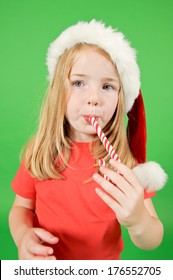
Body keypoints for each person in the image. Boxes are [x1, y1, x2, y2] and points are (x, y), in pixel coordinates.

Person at [9, 19, 167, 260]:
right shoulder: (39, 152)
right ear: (57, 91)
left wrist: (138, 221)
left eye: (107, 86)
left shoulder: (123, 162)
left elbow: (152, 238)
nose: (94, 98)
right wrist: (23, 236)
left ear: (120, 98)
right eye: (79, 83)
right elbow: (21, 208)